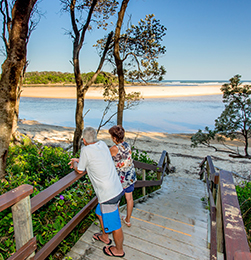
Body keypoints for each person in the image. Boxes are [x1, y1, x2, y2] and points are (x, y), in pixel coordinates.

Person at [68, 127, 125, 258]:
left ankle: (119, 250)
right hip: (117, 188)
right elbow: (95, 160)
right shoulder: (102, 144)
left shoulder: (86, 150)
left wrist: (75, 164)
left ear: (83, 140)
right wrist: (80, 161)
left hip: (108, 195)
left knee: (115, 225)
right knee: (99, 213)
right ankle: (105, 237)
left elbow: (80, 170)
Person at [109, 125, 137, 227]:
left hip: (120, 179)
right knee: (129, 199)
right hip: (130, 177)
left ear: (115, 138)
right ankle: (128, 220)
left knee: (116, 201)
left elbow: (105, 158)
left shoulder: (114, 148)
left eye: (111, 136)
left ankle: (116, 220)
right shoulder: (127, 145)